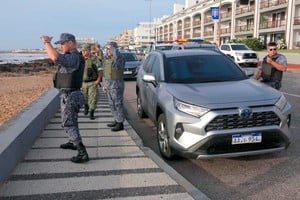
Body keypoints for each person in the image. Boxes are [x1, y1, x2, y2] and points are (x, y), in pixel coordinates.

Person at [40, 33, 89, 163]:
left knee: (68, 123)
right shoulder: (74, 56)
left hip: (70, 95)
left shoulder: (73, 57)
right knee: (72, 121)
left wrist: (46, 43)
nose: (61, 46)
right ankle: (72, 142)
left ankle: (82, 152)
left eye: (63, 43)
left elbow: (55, 57)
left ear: (71, 43)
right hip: (71, 94)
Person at [102, 41, 125, 131]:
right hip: (108, 85)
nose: (108, 51)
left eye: (110, 49)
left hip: (116, 85)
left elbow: (117, 58)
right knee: (111, 104)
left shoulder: (120, 58)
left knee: (118, 104)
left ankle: (120, 123)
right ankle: (116, 119)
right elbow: (105, 72)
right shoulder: (106, 58)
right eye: (107, 49)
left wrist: (113, 48)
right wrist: (104, 85)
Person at [81, 43, 103, 120]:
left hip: (92, 82)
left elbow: (100, 70)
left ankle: (91, 112)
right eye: (82, 51)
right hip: (83, 83)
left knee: (93, 98)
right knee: (84, 98)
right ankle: (86, 106)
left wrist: (98, 80)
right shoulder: (81, 59)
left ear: (89, 51)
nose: (83, 52)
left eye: (85, 51)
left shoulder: (94, 59)